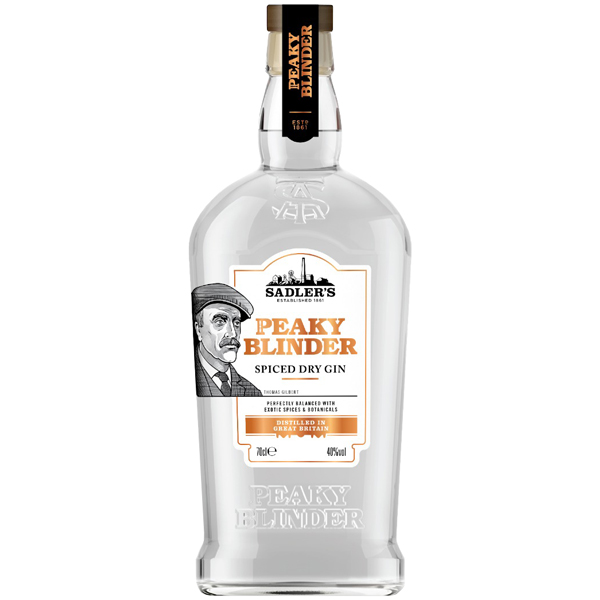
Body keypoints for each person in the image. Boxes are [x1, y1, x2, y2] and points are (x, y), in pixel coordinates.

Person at [191, 283, 262, 397]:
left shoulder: (252, 393)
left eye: (236, 322)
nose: (233, 333)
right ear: (198, 329)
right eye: (219, 321)